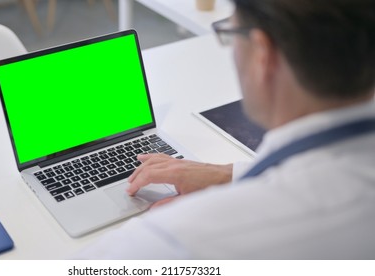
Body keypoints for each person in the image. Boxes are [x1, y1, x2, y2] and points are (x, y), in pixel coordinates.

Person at [75, 0, 375, 259]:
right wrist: (225, 174)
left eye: (230, 34)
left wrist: (148, 230)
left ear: (262, 54)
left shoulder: (184, 240)